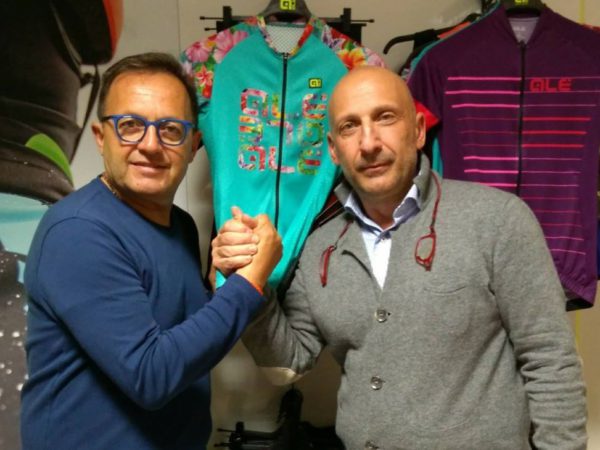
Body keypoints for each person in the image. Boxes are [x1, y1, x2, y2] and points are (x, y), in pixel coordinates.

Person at [212, 66, 587, 449]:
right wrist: (248, 280)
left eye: (385, 117)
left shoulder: (497, 220)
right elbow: (287, 365)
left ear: (419, 131)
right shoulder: (321, 247)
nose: (369, 142)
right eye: (349, 127)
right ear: (333, 150)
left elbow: (550, 361)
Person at [21, 52, 281, 450]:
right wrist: (248, 283)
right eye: (130, 126)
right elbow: (150, 375)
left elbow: (176, 333)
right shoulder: (78, 231)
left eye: (171, 130)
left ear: (194, 145)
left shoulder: (181, 225)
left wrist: (219, 281)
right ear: (101, 137)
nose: (150, 145)